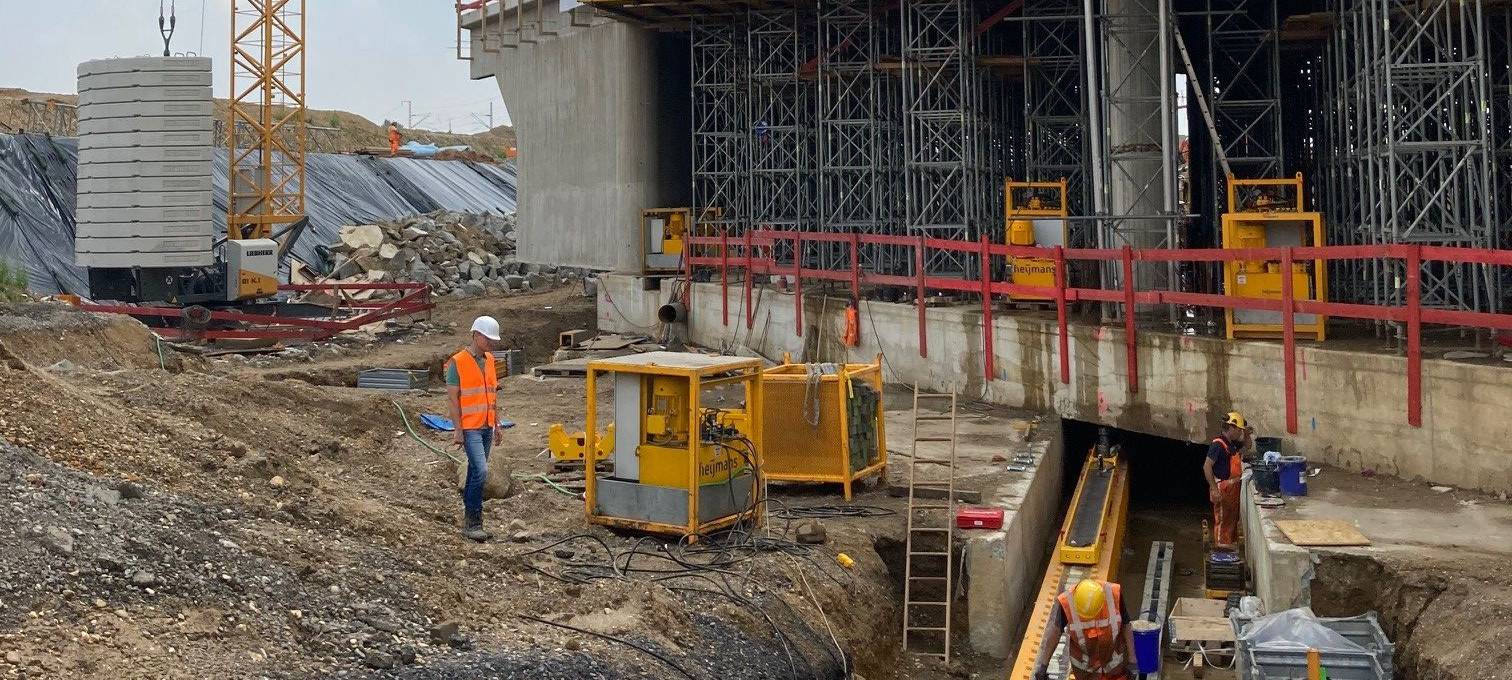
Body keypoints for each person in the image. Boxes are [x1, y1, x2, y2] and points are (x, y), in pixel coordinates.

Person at [446, 316, 503, 541]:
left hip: (486, 425)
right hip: (470, 427)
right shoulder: (457, 362)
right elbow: (452, 400)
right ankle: (473, 521)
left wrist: (496, 423)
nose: (491, 344)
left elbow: (492, 395)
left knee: (474, 470)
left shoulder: (489, 360)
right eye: (488, 339)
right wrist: (458, 430)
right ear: (476, 335)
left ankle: (469, 516)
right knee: (480, 470)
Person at [1033, 578, 1136, 680]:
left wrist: (1133, 660)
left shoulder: (1113, 594)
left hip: (1114, 669)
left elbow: (1126, 625)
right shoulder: (1067, 602)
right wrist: (1043, 666)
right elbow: (1055, 632)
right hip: (1086, 672)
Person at [1203, 411, 1252, 549]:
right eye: (1239, 430)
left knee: (1231, 521)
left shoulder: (1231, 444)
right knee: (1223, 522)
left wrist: (1247, 435)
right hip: (1223, 489)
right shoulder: (1218, 445)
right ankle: (1221, 550)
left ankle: (1229, 546)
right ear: (1231, 427)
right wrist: (1214, 489)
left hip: (1232, 489)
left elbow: (1248, 446)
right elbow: (1207, 466)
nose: (1240, 433)